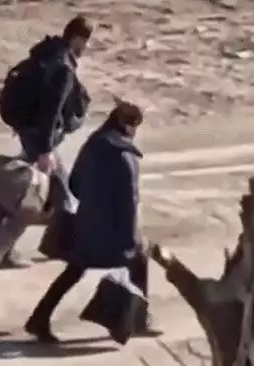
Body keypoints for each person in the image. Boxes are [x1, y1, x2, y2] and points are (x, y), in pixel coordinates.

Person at [24, 101, 161, 344]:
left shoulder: (92, 144)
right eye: (134, 125)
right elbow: (129, 202)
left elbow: (74, 185)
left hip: (87, 225)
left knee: (75, 270)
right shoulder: (124, 157)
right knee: (139, 260)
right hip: (113, 230)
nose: (135, 131)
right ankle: (138, 319)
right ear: (126, 125)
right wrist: (130, 240)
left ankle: (40, 317)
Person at [1, 15, 93, 269]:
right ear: (77, 39)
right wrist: (45, 150)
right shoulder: (63, 67)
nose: (85, 49)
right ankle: (5, 249)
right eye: (85, 43)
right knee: (32, 196)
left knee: (57, 192)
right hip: (40, 137)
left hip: (30, 130)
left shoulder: (47, 52)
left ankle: (57, 244)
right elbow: (51, 111)